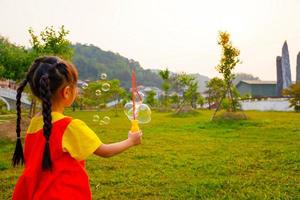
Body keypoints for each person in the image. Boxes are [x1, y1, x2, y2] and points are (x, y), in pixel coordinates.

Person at [12, 56, 142, 200]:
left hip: (36, 193)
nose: (78, 90)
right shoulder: (69, 126)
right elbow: (105, 151)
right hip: (63, 194)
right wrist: (131, 141)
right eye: (76, 86)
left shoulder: (35, 122)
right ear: (67, 92)